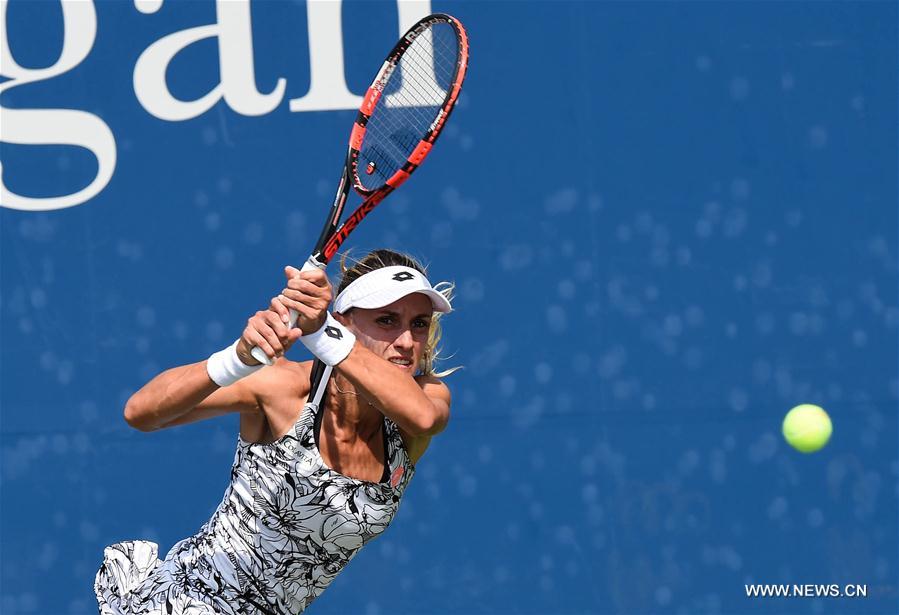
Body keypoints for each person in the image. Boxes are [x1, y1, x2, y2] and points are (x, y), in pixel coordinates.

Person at [94, 249, 455, 614]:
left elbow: (424, 418)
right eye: (387, 320)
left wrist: (323, 335)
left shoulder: (425, 400)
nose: (407, 342)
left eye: (419, 324)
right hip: (187, 603)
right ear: (345, 322)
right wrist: (237, 359)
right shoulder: (285, 388)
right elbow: (140, 413)